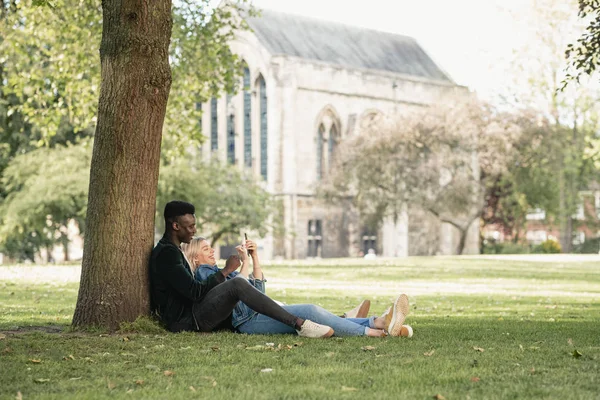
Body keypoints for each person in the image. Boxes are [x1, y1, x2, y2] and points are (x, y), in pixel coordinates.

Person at [148, 200, 335, 338]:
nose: (194, 230)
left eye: (194, 225)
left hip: (194, 314)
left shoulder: (172, 250)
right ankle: (300, 325)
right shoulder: (167, 253)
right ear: (175, 226)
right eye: (190, 227)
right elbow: (194, 292)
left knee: (238, 284)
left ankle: (309, 322)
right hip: (187, 322)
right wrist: (225, 271)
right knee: (237, 283)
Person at [185, 236, 412, 337]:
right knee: (311, 312)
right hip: (248, 322)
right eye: (206, 250)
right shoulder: (205, 274)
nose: (212, 251)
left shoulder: (220, 271)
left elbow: (257, 292)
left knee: (315, 313)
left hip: (258, 312)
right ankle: (372, 331)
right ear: (195, 258)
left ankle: (381, 323)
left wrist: (254, 258)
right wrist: (243, 263)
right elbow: (239, 289)